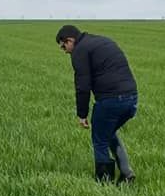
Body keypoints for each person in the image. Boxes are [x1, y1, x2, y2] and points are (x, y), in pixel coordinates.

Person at [56, 24, 138, 183]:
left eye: (63, 46)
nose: (64, 50)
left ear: (70, 40)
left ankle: (104, 181)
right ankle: (127, 173)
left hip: (111, 100)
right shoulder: (102, 41)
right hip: (132, 98)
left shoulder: (79, 51)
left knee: (99, 139)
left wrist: (82, 114)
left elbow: (83, 86)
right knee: (108, 131)